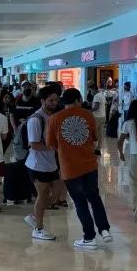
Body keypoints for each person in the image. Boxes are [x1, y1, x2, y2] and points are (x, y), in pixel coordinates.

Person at [47, 88, 113, 250]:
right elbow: (95, 137)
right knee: (94, 198)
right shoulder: (88, 115)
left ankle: (89, 238)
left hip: (70, 167)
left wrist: (64, 147)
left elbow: (50, 143)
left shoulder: (55, 118)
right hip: (89, 164)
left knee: (80, 202)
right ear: (78, 99)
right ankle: (104, 230)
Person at [24, 86, 65, 241]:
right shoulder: (36, 119)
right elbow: (34, 144)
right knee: (43, 195)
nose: (55, 103)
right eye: (51, 100)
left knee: (56, 195)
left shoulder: (54, 117)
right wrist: (54, 146)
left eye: (56, 100)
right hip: (37, 164)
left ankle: (35, 215)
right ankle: (38, 228)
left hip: (51, 163)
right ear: (42, 101)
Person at [91, 84, 107, 156]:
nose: (91, 92)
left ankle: (92, 148)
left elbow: (96, 107)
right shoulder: (102, 95)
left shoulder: (96, 96)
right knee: (100, 134)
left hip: (96, 116)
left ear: (94, 90)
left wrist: (89, 111)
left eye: (91, 90)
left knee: (93, 132)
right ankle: (98, 149)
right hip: (103, 116)